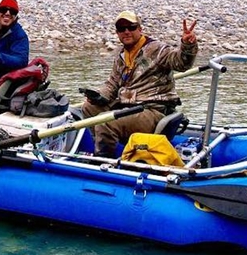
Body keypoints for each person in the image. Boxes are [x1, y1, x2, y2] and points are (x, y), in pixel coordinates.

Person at [79, 11, 198, 156]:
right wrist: (98, 95)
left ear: (140, 29)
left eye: (131, 27)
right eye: (122, 29)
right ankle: (105, 145)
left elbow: (181, 63)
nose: (126, 32)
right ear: (117, 33)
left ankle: (104, 161)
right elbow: (112, 83)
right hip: (128, 106)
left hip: (151, 110)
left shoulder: (157, 49)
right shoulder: (121, 55)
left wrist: (187, 45)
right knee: (88, 107)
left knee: (105, 122)